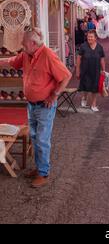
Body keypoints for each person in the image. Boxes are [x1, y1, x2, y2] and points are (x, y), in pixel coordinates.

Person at [0, 28, 72, 188]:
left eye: (24, 42)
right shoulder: (27, 54)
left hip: (44, 106)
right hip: (32, 105)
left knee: (41, 140)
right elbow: (12, 61)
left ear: (33, 43)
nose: (21, 44)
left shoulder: (48, 55)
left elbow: (66, 76)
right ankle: (40, 168)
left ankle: (43, 173)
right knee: (35, 137)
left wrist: (54, 95)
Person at [76, 30, 106, 112]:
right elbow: (78, 58)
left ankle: (93, 104)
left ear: (95, 38)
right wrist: (77, 70)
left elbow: (102, 59)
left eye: (91, 37)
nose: (89, 38)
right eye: (88, 37)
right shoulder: (83, 46)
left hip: (96, 71)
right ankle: (84, 97)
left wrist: (103, 70)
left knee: (95, 88)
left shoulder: (99, 47)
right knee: (85, 87)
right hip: (85, 71)